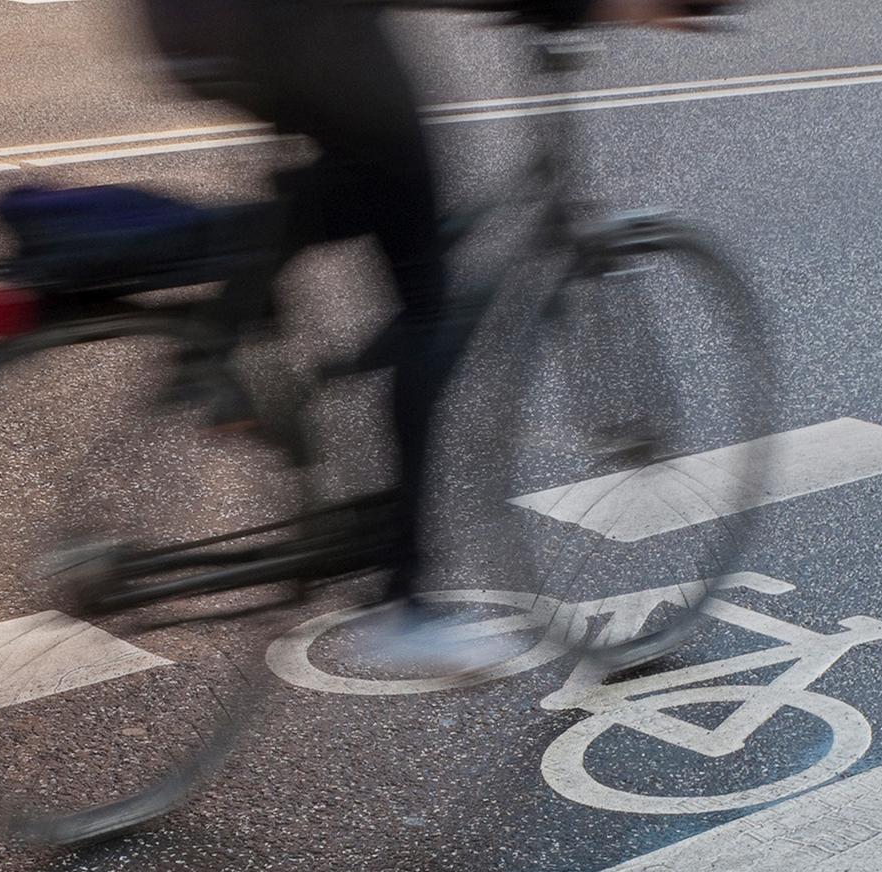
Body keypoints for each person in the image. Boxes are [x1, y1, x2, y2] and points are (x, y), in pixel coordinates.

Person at [142, 0, 733, 664]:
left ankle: (219, 332)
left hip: (215, 25)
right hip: (286, 28)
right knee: (422, 290)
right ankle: (406, 601)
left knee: (360, 179)